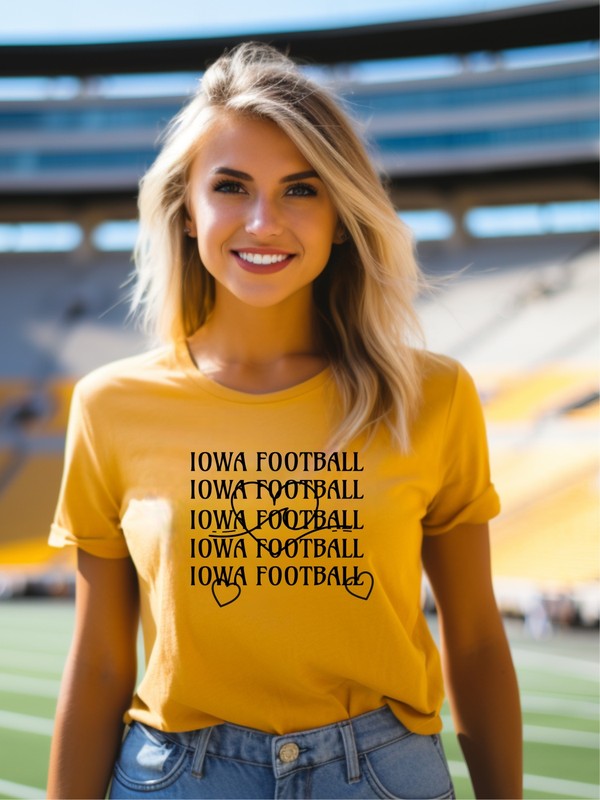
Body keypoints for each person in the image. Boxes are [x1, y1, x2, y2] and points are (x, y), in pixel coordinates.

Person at [46, 43, 522, 800]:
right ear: (186, 209)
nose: (263, 221)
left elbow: (473, 637)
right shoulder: (111, 405)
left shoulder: (432, 395)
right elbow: (100, 662)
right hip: (177, 776)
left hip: (384, 775)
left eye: (301, 190)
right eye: (231, 186)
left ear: (341, 217)